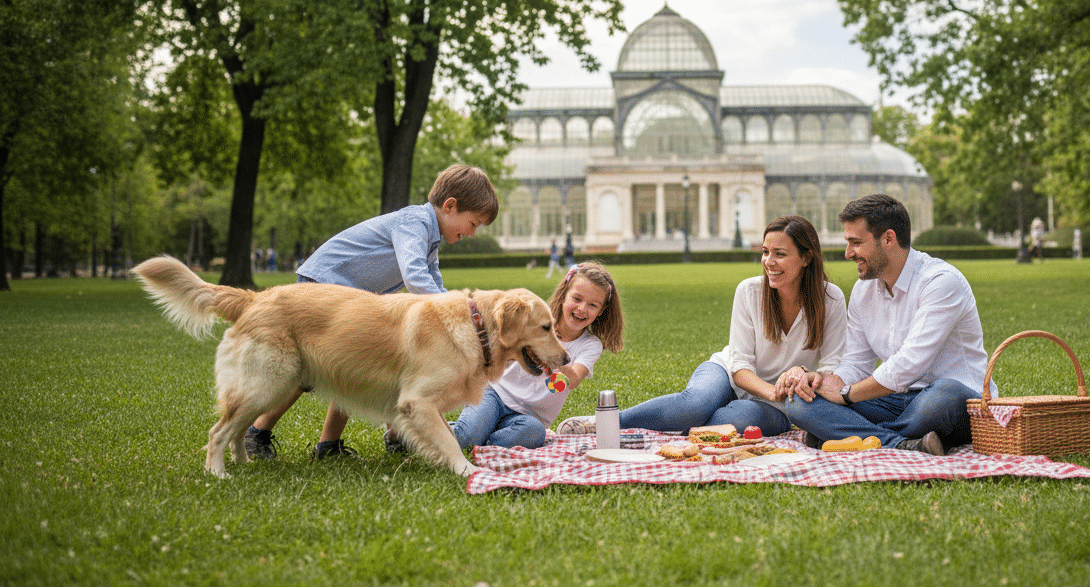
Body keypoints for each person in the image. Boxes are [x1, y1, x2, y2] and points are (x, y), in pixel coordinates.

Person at [243, 164, 499, 461]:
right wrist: (454, 313)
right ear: (450, 206)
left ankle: (329, 446)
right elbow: (415, 276)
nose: (472, 232)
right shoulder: (414, 222)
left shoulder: (432, 237)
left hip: (347, 297)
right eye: (473, 223)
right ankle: (256, 433)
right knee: (306, 372)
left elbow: (434, 283)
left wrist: (456, 313)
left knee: (355, 365)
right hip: (322, 287)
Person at [560, 215, 845, 437]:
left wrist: (802, 377)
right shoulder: (750, 291)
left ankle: (694, 423)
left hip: (779, 405)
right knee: (693, 406)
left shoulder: (831, 298)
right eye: (765, 252)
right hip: (730, 374)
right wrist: (774, 391)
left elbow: (832, 367)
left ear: (806, 258)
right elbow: (740, 366)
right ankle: (601, 423)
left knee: (740, 420)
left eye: (780, 254)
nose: (768, 262)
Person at [785, 194, 996, 455]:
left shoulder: (941, 282)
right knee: (799, 402)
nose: (848, 253)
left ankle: (847, 433)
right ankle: (902, 443)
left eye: (856, 242)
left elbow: (910, 363)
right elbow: (855, 362)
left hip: (953, 402)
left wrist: (847, 394)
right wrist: (828, 383)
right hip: (895, 402)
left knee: (944, 395)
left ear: (888, 239)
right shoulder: (864, 291)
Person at [452, 263, 624, 449]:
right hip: (496, 394)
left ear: (601, 311)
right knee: (466, 438)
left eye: (592, 305)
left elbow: (572, 380)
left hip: (529, 418)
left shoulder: (590, 345)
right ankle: (432, 433)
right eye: (577, 298)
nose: (582, 308)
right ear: (564, 295)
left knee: (534, 434)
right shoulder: (538, 319)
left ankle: (484, 440)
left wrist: (551, 349)